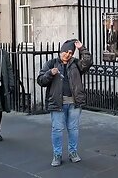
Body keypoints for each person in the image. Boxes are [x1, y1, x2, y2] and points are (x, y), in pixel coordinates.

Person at [37, 39, 92, 167]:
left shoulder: (76, 64)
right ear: (60, 51)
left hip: (74, 103)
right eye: (65, 52)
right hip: (57, 103)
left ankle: (73, 152)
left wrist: (82, 48)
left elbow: (88, 62)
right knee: (57, 129)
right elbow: (40, 81)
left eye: (70, 52)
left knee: (73, 129)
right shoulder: (51, 63)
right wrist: (50, 73)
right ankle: (57, 155)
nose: (67, 55)